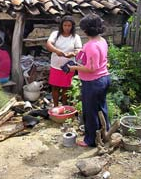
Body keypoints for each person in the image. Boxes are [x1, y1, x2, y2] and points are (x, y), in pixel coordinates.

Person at [68, 14, 110, 147]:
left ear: (86, 30)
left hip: (93, 82)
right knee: (101, 107)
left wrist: (73, 67)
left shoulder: (91, 45)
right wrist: (79, 53)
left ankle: (90, 140)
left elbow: (92, 68)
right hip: (103, 78)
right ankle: (105, 132)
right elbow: (93, 58)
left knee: (90, 111)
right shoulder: (101, 40)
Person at [46, 15, 82, 107]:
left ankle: (64, 106)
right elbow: (48, 44)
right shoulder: (55, 34)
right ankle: (55, 106)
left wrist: (73, 54)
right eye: (65, 25)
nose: (67, 28)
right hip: (55, 65)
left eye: (69, 26)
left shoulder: (76, 37)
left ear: (72, 26)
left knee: (66, 88)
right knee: (55, 87)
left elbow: (79, 49)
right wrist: (56, 51)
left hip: (69, 67)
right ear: (61, 25)